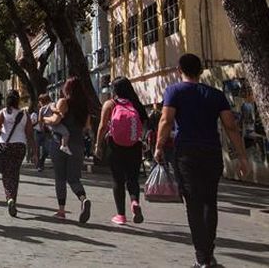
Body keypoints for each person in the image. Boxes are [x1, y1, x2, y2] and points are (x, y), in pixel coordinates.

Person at [155, 53, 250, 268]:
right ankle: (208, 253)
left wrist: (159, 147)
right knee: (210, 201)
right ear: (200, 71)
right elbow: (230, 126)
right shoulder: (215, 95)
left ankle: (202, 256)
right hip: (211, 153)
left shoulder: (174, 91)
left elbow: (166, 120)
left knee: (193, 203)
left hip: (186, 153)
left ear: (180, 70)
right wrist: (242, 156)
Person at [94, 77, 148, 225]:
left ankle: (121, 215)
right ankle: (135, 201)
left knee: (118, 180)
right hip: (134, 145)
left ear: (114, 90)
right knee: (133, 178)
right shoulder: (135, 104)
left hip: (114, 146)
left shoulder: (110, 104)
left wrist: (98, 145)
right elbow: (143, 124)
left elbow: (102, 126)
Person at [44, 77, 93, 223]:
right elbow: (86, 128)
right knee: (74, 178)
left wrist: (44, 119)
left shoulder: (63, 102)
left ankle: (61, 210)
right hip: (77, 145)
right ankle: (83, 199)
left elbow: (55, 120)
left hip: (59, 143)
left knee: (60, 177)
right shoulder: (85, 108)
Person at [0, 90, 35, 217]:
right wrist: (33, 151)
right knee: (15, 172)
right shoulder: (24, 114)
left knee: (6, 174)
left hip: (5, 145)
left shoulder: (3, 112)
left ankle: (9, 198)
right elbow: (29, 133)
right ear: (18, 100)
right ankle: (13, 199)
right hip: (20, 146)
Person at [32, 93, 52, 172]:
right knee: (37, 150)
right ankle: (38, 165)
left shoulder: (50, 111)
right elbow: (32, 124)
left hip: (47, 132)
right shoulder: (35, 113)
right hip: (38, 132)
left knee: (46, 150)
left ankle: (41, 162)